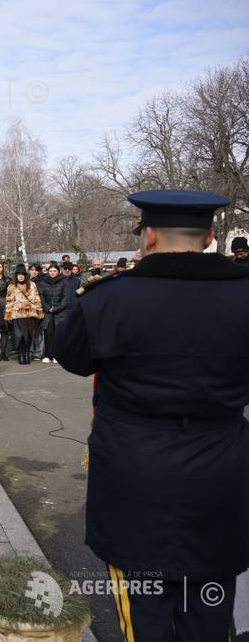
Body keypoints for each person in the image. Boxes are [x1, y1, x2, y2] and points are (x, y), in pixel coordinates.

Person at [55, 189, 249, 640]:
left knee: (144, 615)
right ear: (210, 236)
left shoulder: (109, 298)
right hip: (221, 474)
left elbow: (72, 356)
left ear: (150, 237)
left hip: (134, 476)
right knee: (210, 610)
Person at [4, 264, 44, 365]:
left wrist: (39, 311)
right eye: (18, 274)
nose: (21, 276)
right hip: (17, 315)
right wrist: (8, 314)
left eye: (22, 274)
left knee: (29, 336)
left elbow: (37, 299)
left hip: (30, 315)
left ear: (25, 275)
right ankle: (21, 355)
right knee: (19, 336)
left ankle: (27, 354)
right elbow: (9, 301)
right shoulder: (11, 286)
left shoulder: (32, 284)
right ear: (16, 276)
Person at [37, 263, 68, 363]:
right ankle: (47, 355)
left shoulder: (64, 282)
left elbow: (66, 298)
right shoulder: (43, 282)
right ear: (48, 272)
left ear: (58, 271)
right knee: (48, 334)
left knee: (58, 334)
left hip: (60, 312)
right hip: (47, 312)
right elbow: (41, 296)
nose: (52, 273)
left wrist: (57, 308)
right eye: (50, 271)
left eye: (54, 271)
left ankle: (56, 355)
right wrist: (47, 307)